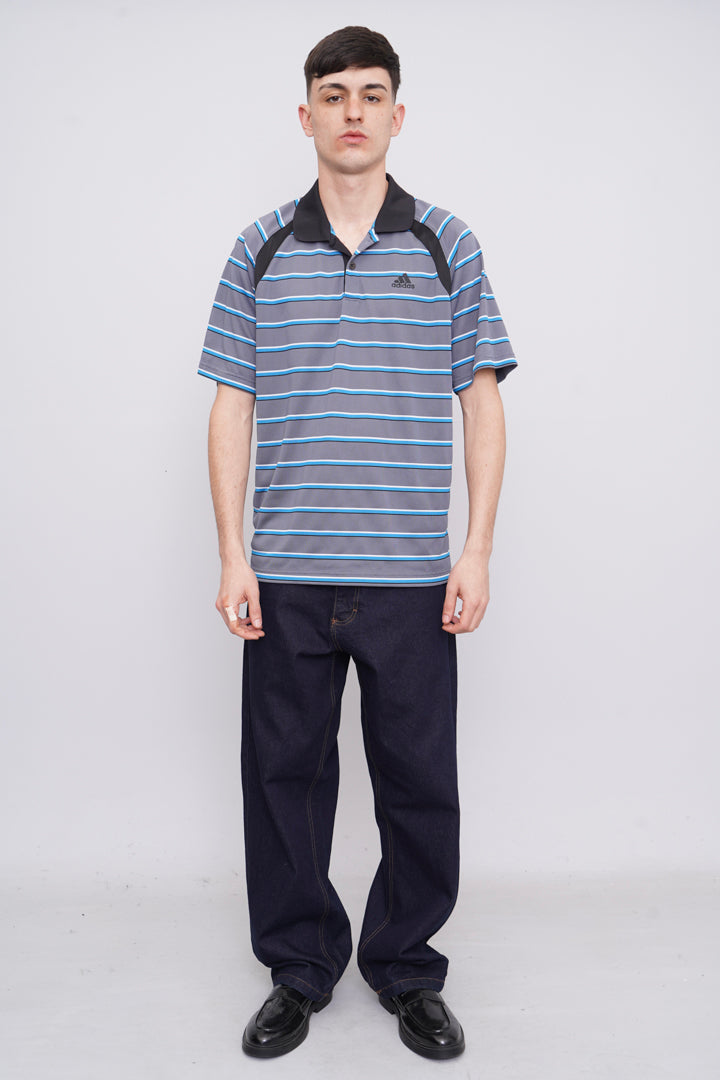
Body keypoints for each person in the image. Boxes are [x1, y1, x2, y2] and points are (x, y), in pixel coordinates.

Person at [198, 25, 516, 1061]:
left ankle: (407, 968)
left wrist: (475, 551)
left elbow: (482, 402)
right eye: (333, 95)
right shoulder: (258, 248)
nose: (352, 112)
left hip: (411, 577)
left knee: (419, 782)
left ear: (397, 114)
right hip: (286, 574)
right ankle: (299, 969)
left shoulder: (448, 243)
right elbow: (231, 405)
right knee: (283, 781)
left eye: (371, 94)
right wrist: (233, 555)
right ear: (306, 116)